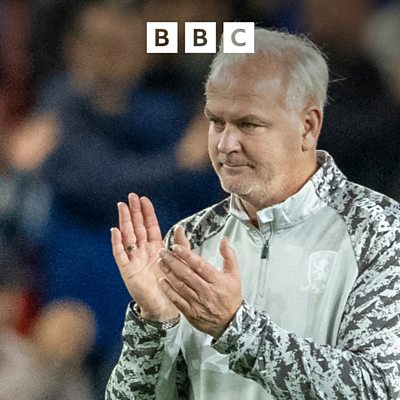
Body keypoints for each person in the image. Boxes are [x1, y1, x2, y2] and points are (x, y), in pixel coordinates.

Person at [106, 28, 400, 399]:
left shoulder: (380, 231)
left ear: (307, 127)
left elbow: (379, 388)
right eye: (216, 122)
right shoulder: (190, 239)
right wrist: (153, 325)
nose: (225, 144)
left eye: (248, 124)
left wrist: (235, 328)